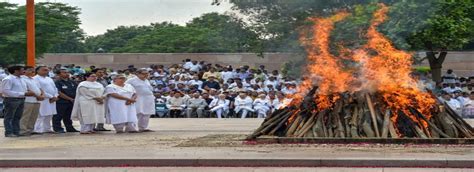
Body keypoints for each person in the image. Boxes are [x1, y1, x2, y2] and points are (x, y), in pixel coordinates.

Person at [1, 66, 35, 137]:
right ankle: (9, 132)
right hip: (11, 100)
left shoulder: (22, 79)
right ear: (16, 71)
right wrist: (23, 93)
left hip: (21, 99)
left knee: (17, 116)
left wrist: (27, 92)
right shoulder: (8, 79)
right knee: (9, 117)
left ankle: (16, 131)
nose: (24, 71)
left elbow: (22, 88)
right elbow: (5, 91)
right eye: (22, 70)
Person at [19, 66, 44, 136]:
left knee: (33, 116)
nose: (32, 71)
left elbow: (40, 88)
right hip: (28, 100)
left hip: (37, 101)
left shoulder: (33, 79)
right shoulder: (22, 79)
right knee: (25, 116)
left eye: (33, 70)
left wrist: (42, 95)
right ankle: (23, 130)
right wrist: (37, 96)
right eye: (30, 70)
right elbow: (26, 89)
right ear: (24, 71)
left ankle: (30, 130)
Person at [34, 66, 59, 134]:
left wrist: (55, 96)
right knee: (41, 114)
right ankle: (37, 129)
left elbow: (55, 88)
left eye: (47, 70)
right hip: (43, 99)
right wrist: (50, 96)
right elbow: (39, 89)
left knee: (50, 114)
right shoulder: (36, 78)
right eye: (44, 70)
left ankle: (47, 128)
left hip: (52, 99)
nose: (46, 71)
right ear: (38, 71)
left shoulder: (49, 78)